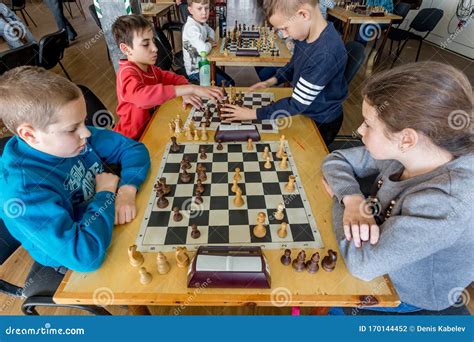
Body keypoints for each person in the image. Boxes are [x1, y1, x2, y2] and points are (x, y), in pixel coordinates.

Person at [322, 62, 473, 312]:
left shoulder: (446, 201)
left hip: (406, 293)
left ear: (406, 138)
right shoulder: (412, 152)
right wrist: (352, 200)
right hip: (378, 252)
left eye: (368, 124)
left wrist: (338, 200)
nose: (359, 130)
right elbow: (336, 159)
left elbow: (362, 265)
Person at [0, 66, 151, 275]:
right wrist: (106, 193)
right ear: (30, 135)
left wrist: (126, 189)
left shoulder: (72, 140)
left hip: (107, 215)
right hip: (74, 262)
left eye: (84, 121)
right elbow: (86, 257)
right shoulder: (23, 192)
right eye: (72, 128)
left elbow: (133, 149)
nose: (86, 132)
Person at [221, 0, 347, 146]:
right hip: (306, 110)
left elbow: (295, 105)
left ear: (303, 14)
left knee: (305, 162)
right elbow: (293, 64)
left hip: (321, 121)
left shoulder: (325, 54)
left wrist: (251, 114)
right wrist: (273, 80)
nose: (285, 34)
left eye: (285, 28)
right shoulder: (308, 35)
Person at [111, 14, 224, 140]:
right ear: (125, 49)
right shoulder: (126, 73)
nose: (155, 48)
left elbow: (173, 78)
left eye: (153, 41)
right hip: (130, 141)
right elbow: (143, 98)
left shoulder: (150, 69)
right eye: (145, 44)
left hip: (151, 129)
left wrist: (184, 90)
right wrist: (191, 89)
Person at [182, 0, 235, 86]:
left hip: (206, 65)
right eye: (199, 8)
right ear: (190, 10)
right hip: (196, 71)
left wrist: (207, 42)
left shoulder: (200, 23)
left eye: (206, 8)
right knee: (228, 85)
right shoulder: (191, 28)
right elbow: (204, 50)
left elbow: (211, 32)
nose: (204, 12)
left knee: (230, 82)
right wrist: (209, 44)